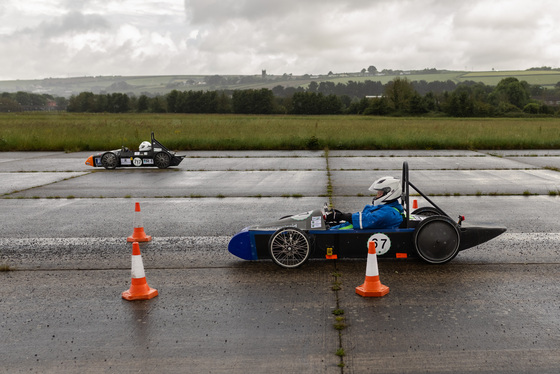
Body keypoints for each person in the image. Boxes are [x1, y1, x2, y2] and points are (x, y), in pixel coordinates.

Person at [324, 176, 404, 230]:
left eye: (380, 193)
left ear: (390, 193)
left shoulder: (389, 213)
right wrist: (341, 216)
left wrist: (342, 216)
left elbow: (365, 220)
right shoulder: (388, 208)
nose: (377, 196)